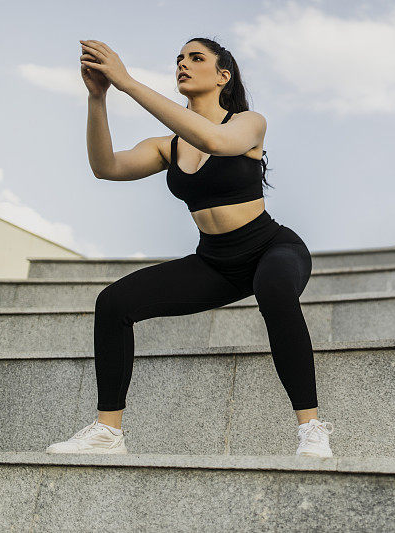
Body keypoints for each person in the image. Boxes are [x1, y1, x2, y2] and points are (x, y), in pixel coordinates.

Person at [46, 37, 333, 457]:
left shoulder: (248, 123)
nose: (183, 64)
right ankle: (108, 431)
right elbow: (105, 167)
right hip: (215, 262)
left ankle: (311, 428)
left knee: (273, 289)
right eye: (178, 58)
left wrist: (127, 82)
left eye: (195, 58)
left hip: (271, 248)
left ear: (223, 76)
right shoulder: (169, 146)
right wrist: (99, 98)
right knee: (113, 304)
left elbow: (216, 143)